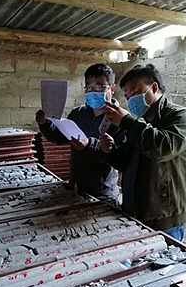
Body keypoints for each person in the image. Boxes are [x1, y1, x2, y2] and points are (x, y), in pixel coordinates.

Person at [99, 63, 186, 241]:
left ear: (154, 88)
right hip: (134, 210)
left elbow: (163, 148)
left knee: (165, 257)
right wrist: (111, 151)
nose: (131, 100)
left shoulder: (180, 116)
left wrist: (127, 122)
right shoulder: (139, 121)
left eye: (134, 92)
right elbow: (129, 162)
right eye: (127, 97)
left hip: (163, 217)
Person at [35, 63, 125, 201]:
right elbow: (59, 137)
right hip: (76, 187)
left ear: (112, 88)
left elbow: (120, 159)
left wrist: (89, 145)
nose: (92, 91)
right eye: (88, 87)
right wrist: (45, 124)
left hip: (102, 193)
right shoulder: (78, 114)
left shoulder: (120, 119)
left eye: (98, 87)